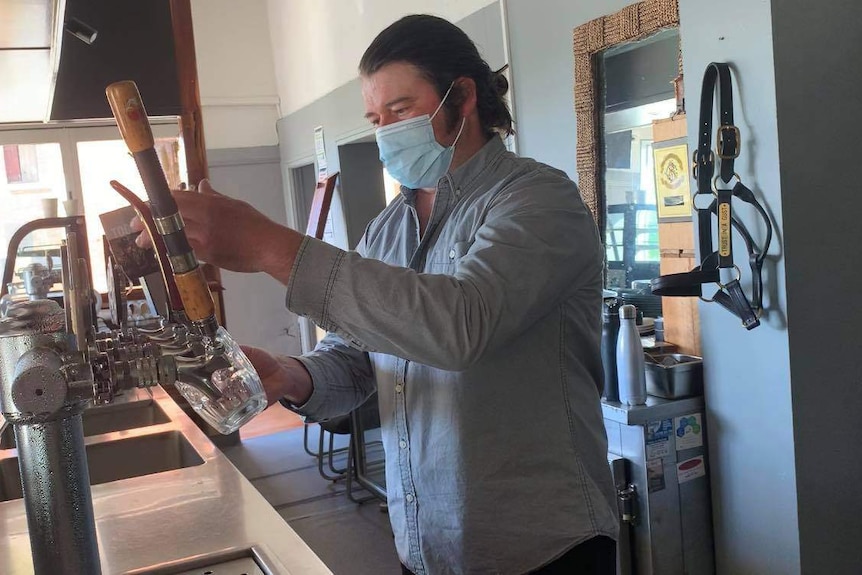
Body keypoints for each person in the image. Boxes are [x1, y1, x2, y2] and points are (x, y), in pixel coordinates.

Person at [135, 14, 618, 575]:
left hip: (542, 550)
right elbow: (360, 358)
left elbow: (460, 325)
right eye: (374, 117)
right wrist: (295, 375)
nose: (385, 130)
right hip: (426, 546)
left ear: (462, 99)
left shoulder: (537, 201)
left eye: (401, 110)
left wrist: (268, 245)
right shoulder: (388, 228)